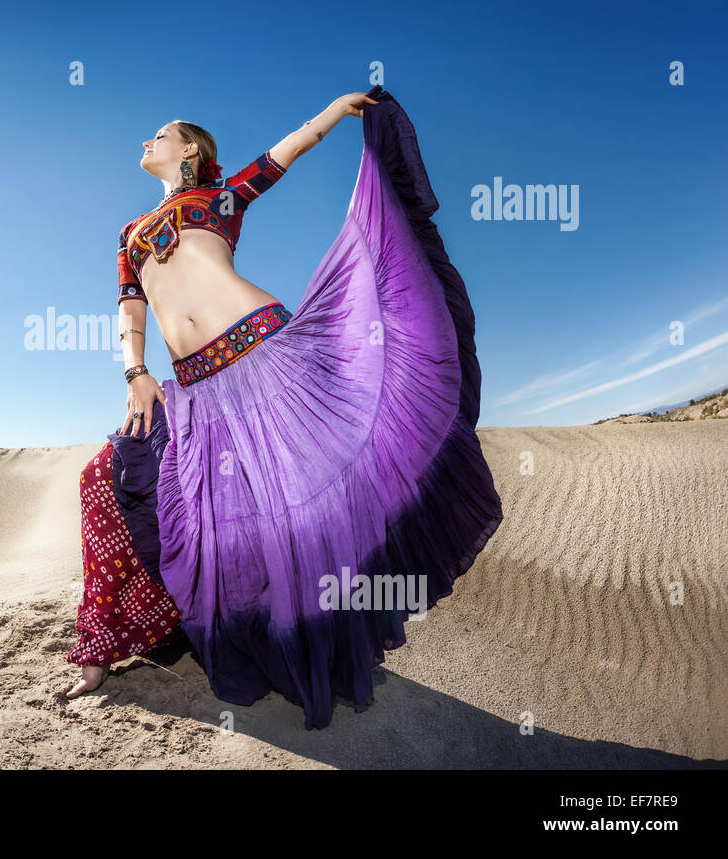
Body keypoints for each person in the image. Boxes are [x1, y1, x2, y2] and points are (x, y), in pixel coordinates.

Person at [64, 86, 505, 730]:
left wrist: (334, 111)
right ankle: (100, 649)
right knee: (103, 481)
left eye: (158, 134)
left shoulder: (219, 197)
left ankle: (318, 637)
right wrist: (136, 371)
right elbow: (130, 310)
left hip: (268, 353)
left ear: (191, 149)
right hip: (194, 385)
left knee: (299, 504)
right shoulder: (130, 233)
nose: (145, 142)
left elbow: (285, 153)